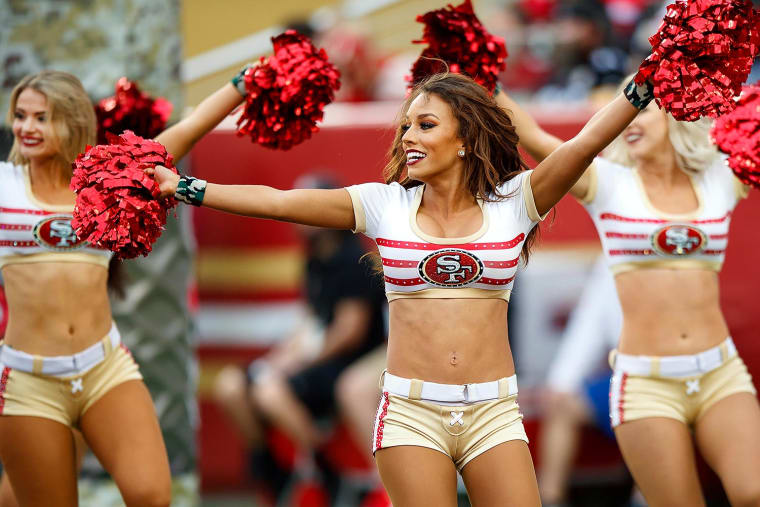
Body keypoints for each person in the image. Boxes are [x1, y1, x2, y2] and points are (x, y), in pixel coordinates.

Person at [149, 70, 650, 506]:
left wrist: (643, 87)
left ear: (467, 140)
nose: (409, 136)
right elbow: (279, 202)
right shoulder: (383, 204)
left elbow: (583, 145)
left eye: (426, 125)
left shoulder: (516, 202)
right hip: (411, 413)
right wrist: (189, 188)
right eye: (407, 125)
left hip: (493, 411)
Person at [496, 82, 760, 506]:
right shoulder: (608, 184)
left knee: (753, 491)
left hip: (720, 373)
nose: (628, 122)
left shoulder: (722, 178)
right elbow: (537, 139)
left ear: (676, 115)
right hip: (645, 383)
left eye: (643, 111)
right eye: (624, 114)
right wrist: (485, 78)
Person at [0, 69, 245, 506]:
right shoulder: (6, 184)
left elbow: (186, 130)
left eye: (42, 117)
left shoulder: (107, 178)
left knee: (151, 495)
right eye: (21, 116)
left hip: (104, 369)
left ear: (73, 122)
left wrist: (243, 85)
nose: (27, 128)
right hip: (28, 381)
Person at [213, 174, 387, 503]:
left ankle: (326, 472)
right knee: (230, 386)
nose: (297, 210)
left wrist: (296, 363)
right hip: (316, 358)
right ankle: (270, 470)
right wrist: (279, 359)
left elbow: (349, 333)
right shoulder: (313, 259)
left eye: (305, 200)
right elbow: (309, 320)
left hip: (348, 361)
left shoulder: (354, 260)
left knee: (269, 391)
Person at [538, 256, 622, 506]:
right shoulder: (614, 254)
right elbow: (592, 318)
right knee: (562, 405)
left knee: (654, 421)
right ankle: (549, 499)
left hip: (672, 384)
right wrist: (562, 383)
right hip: (623, 379)